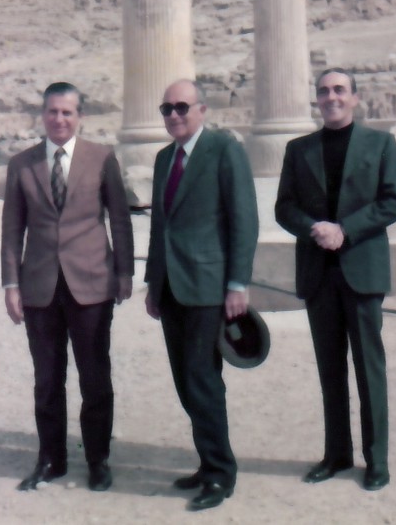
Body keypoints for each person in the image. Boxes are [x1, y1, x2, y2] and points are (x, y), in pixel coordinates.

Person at [1, 82, 134, 492]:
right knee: (47, 379)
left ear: (80, 117)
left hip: (91, 282)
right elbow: (12, 229)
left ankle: (97, 460)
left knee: (95, 377)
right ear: (43, 115)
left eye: (67, 112)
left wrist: (125, 272)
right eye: (52, 111)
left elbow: (119, 218)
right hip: (39, 286)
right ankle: (51, 460)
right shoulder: (22, 164)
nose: (59, 119)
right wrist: (11, 283)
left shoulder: (101, 158)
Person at [275, 67, 396, 491]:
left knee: (369, 369)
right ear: (317, 98)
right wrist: (315, 228)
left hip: (362, 269)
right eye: (324, 91)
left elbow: (392, 203)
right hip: (318, 272)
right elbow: (284, 207)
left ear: (354, 97)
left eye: (340, 90)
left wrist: (344, 229)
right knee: (330, 370)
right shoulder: (299, 149)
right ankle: (337, 454)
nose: (332, 97)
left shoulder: (381, 144)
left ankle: (377, 459)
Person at [145, 79, 258, 512]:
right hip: (172, 287)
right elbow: (161, 227)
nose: (174, 115)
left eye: (182, 107)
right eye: (167, 109)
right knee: (184, 379)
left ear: (202, 110)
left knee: (202, 378)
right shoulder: (164, 159)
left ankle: (219, 474)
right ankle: (207, 460)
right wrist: (153, 283)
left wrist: (238, 284)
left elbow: (244, 219)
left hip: (209, 286)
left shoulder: (224, 150)